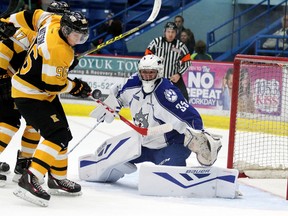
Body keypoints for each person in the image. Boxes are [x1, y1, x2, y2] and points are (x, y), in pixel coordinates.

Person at [1, 9, 91, 206]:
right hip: (30, 94)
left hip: (39, 91)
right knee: (56, 136)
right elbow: (54, 85)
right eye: (77, 35)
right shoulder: (58, 50)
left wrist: (5, 21)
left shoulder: (52, 19)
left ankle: (57, 178)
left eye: (83, 35)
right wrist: (76, 87)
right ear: (66, 30)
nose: (80, 39)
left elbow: (30, 15)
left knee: (63, 133)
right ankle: (31, 177)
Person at [83, 54, 222, 183]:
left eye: (151, 72)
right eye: (144, 72)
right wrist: (112, 104)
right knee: (110, 161)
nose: (147, 76)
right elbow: (121, 97)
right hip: (142, 144)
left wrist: (200, 135)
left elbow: (191, 117)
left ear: (159, 72)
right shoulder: (133, 83)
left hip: (170, 146)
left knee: (170, 179)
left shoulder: (167, 93)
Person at [0, 0, 71, 187]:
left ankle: (24, 163)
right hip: (8, 79)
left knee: (33, 124)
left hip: (21, 82)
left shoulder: (52, 31)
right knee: (8, 122)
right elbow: (4, 49)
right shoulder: (34, 31)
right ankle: (25, 166)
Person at [145, 22, 191, 101]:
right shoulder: (156, 42)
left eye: (173, 32)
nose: (170, 34)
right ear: (164, 32)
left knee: (184, 100)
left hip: (174, 79)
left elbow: (187, 62)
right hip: (157, 79)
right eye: (168, 32)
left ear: (176, 33)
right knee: (149, 98)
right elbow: (147, 58)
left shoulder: (180, 46)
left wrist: (178, 74)